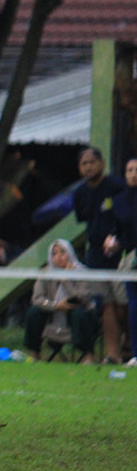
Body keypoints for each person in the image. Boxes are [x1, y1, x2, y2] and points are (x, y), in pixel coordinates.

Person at [72, 146, 128, 364]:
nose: (88, 167)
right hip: (95, 254)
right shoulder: (79, 193)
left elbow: (126, 217)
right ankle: (112, 354)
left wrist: (116, 238)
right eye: (84, 164)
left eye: (92, 162)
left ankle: (128, 347)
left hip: (119, 253)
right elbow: (85, 221)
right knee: (106, 305)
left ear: (102, 163)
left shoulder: (116, 186)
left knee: (125, 304)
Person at [23, 239, 99, 364]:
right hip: (53, 313)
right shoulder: (46, 273)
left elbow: (83, 298)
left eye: (63, 252)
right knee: (34, 313)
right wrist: (56, 306)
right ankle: (34, 354)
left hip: (76, 312)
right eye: (55, 254)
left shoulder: (81, 272)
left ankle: (89, 356)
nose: (59, 257)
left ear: (70, 253)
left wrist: (66, 279)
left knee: (80, 314)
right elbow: (37, 299)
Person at [104, 156, 137, 366]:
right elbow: (117, 231)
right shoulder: (118, 201)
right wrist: (112, 241)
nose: (134, 174)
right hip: (132, 260)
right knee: (133, 306)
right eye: (130, 170)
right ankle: (135, 354)